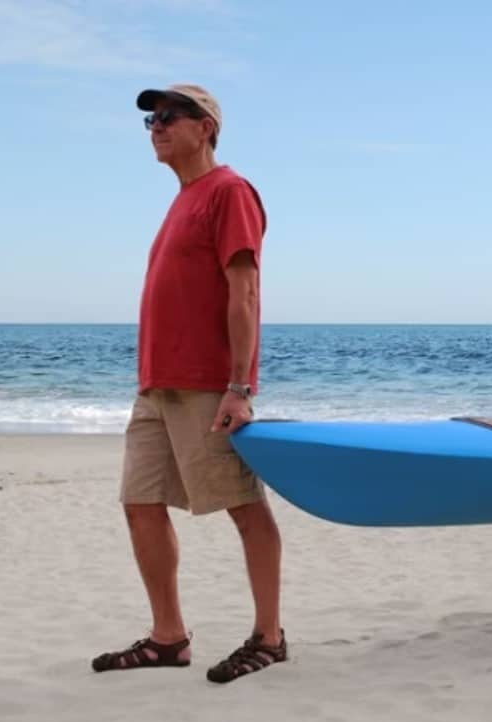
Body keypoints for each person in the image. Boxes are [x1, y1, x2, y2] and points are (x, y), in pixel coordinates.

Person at [91, 84, 286, 684]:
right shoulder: (182, 201)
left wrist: (239, 387)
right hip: (156, 384)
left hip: (208, 384)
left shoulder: (229, 191)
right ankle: (168, 637)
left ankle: (270, 636)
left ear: (206, 128)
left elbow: (244, 292)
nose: (156, 126)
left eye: (170, 116)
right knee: (140, 503)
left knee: (241, 504)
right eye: (151, 119)